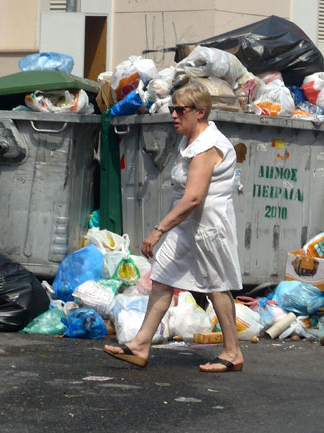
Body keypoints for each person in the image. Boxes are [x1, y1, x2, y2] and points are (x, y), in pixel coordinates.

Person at [105, 82, 243, 372]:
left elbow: (193, 198)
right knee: (162, 279)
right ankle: (140, 345)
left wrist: (159, 229)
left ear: (200, 112)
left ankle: (233, 353)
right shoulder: (190, 141)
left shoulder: (206, 146)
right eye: (172, 109)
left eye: (180, 110)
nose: (173, 115)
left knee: (216, 287)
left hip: (207, 229)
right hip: (187, 227)